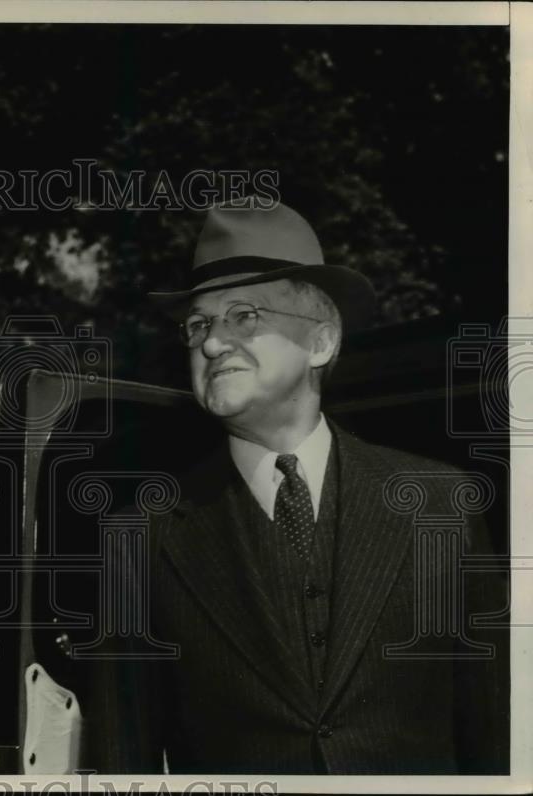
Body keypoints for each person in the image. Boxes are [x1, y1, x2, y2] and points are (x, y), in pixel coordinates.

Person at [87, 201, 508, 774]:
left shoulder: (442, 506)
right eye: (199, 324)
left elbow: (497, 740)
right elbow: (123, 762)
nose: (211, 344)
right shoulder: (139, 534)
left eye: (243, 316)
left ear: (321, 343)